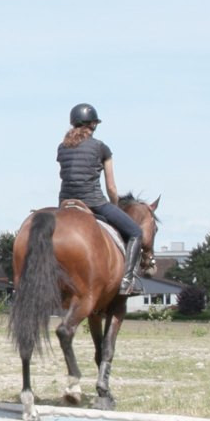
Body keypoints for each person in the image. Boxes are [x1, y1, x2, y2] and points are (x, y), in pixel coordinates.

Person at [57, 103, 146, 294]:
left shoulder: (62, 148)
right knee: (136, 232)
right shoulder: (101, 148)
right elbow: (112, 187)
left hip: (64, 204)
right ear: (94, 125)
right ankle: (127, 281)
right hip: (94, 202)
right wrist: (114, 205)